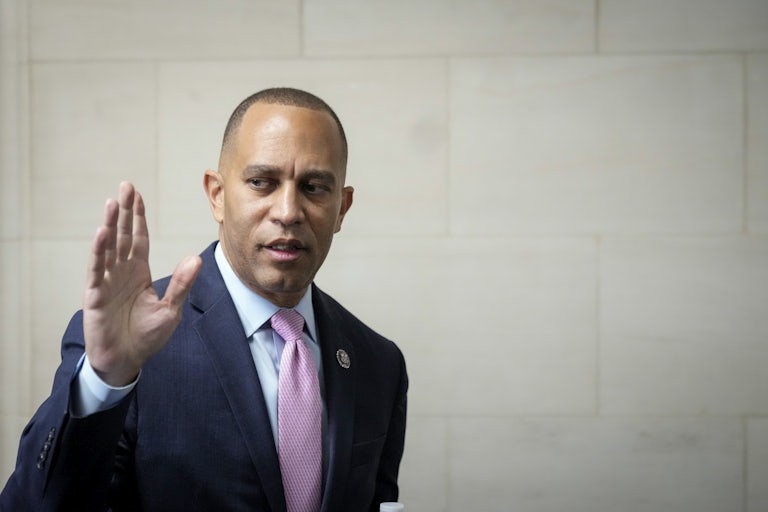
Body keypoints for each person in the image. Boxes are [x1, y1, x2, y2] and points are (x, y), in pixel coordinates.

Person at [0, 87, 408, 512]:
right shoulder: (131, 343)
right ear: (217, 194)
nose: (288, 211)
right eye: (261, 182)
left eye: (314, 187)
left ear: (342, 208)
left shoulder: (379, 363)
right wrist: (106, 380)